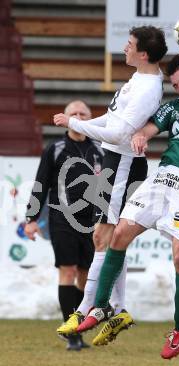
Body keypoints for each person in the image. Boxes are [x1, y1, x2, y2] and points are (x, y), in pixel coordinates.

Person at [76, 54, 179, 359]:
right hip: (163, 177)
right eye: (175, 83)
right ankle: (101, 306)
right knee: (119, 234)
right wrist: (141, 137)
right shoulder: (173, 108)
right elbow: (148, 130)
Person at [53, 26, 168, 338]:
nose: (125, 48)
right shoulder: (139, 79)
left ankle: (85, 310)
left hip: (123, 166)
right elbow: (112, 119)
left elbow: (119, 134)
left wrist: (76, 123)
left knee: (104, 240)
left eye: (130, 45)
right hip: (113, 164)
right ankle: (117, 308)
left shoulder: (148, 89)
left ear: (143, 54)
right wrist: (81, 124)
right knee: (107, 239)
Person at [25, 100, 104, 351]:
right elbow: (41, 183)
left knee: (85, 276)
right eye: (74, 113)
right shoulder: (56, 148)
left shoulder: (100, 151)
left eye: (83, 113)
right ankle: (71, 333)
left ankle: (77, 327)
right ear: (65, 117)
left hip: (91, 223)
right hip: (61, 220)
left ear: (90, 118)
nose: (78, 116)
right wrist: (31, 219)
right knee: (67, 272)